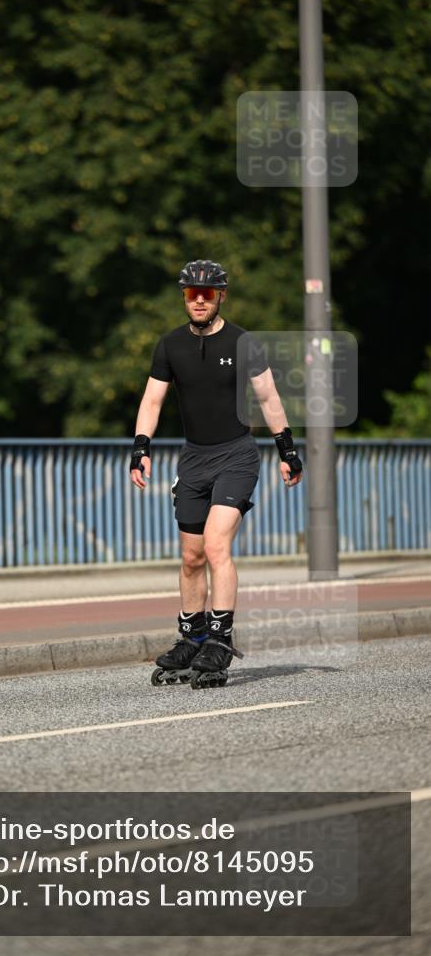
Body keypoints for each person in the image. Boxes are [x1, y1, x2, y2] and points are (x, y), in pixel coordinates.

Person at [129, 259, 303, 688]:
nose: (200, 299)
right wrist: (140, 449)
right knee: (191, 558)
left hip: (237, 457)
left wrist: (287, 450)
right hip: (193, 460)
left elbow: (268, 397)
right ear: (184, 297)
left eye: (208, 293)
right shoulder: (170, 345)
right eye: (192, 293)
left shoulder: (244, 342)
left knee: (215, 545)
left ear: (221, 295)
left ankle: (220, 641)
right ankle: (192, 637)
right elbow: (152, 402)